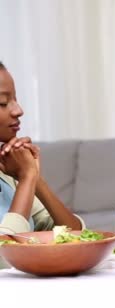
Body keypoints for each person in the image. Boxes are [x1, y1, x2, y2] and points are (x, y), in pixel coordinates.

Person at [0, 61, 83, 236]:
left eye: (15, 99)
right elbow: (3, 253)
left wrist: (35, 178)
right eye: (3, 103)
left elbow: (76, 235)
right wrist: (27, 178)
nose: (19, 110)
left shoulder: (6, 171)